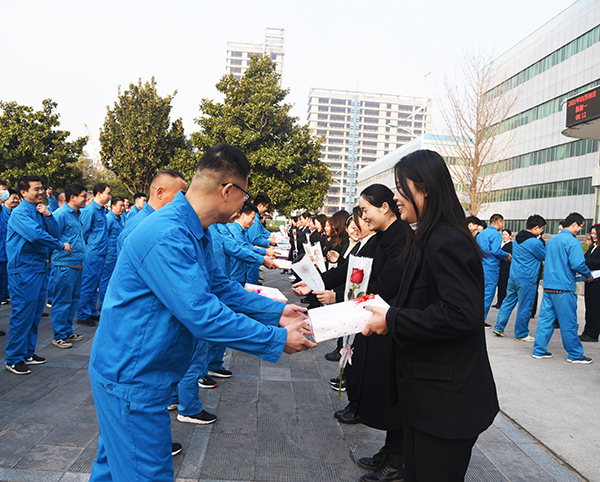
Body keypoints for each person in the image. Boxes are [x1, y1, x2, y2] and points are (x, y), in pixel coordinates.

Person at [87, 143, 316, 481]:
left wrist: (276, 313)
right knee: (146, 473)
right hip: (132, 377)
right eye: (244, 196)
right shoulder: (168, 233)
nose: (245, 205)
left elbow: (219, 287)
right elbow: (202, 313)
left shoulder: (195, 230)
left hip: (137, 369)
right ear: (227, 190)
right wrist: (276, 339)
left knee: (113, 471)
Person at [363, 149, 499, 482]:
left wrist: (392, 319)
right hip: (425, 399)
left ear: (423, 187)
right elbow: (415, 299)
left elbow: (461, 314)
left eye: (400, 188)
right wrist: (377, 310)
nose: (395, 198)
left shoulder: (448, 240)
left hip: (447, 404)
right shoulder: (426, 236)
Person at [4, 176, 73, 374]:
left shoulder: (38, 211)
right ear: (23, 193)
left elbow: (55, 232)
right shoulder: (20, 214)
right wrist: (61, 246)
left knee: (34, 314)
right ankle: (13, 357)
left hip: (38, 268)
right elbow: (36, 235)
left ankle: (27, 352)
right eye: (36, 189)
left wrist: (49, 215)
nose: (41, 192)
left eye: (42, 188)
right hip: (23, 271)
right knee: (22, 314)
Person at [532, 212, 594, 363]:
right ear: (574, 224)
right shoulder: (573, 242)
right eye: (580, 226)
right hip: (564, 288)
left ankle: (539, 350)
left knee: (545, 321)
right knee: (569, 323)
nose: (580, 230)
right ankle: (575, 354)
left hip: (548, 287)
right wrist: (588, 275)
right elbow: (578, 264)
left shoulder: (552, 240)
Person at [492, 215, 546, 341]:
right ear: (537, 227)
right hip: (527, 279)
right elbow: (545, 256)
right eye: (542, 228)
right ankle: (521, 333)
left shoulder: (517, 239)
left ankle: (499, 327)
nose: (542, 231)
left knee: (507, 302)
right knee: (525, 306)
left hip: (514, 276)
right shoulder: (534, 242)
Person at [50, 183, 88, 349]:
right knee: (62, 301)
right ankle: (59, 335)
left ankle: (67, 331)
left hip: (77, 264)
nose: (85, 199)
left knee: (73, 300)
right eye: (83, 196)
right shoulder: (61, 215)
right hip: (64, 265)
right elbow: (51, 238)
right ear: (72, 197)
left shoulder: (76, 215)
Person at [117, 170, 187, 254]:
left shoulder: (164, 220)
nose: (181, 202)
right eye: (178, 197)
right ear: (160, 193)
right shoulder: (138, 224)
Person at [77, 183, 111, 326]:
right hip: (92, 254)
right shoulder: (90, 210)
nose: (109, 197)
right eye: (107, 193)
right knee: (88, 284)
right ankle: (83, 314)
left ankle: (91, 311)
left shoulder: (102, 211)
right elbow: (82, 233)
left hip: (101, 253)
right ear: (98, 194)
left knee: (95, 285)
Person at [477, 213, 511, 324]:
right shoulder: (496, 234)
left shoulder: (481, 234)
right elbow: (495, 251)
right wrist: (507, 255)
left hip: (480, 266)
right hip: (491, 267)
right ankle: (481, 320)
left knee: (479, 294)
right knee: (488, 295)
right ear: (499, 222)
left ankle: (476, 317)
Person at [97, 196, 124, 311]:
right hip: (109, 254)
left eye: (123, 206)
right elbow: (104, 236)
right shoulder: (110, 219)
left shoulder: (119, 219)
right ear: (113, 206)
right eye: (120, 206)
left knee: (111, 280)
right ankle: (102, 304)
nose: (122, 208)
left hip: (115, 255)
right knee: (105, 280)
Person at [580, 224, 600, 342]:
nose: (593, 236)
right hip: (589, 281)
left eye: (595, 233)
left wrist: (586, 261)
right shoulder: (592, 247)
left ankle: (593, 333)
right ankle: (587, 331)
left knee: (596, 308)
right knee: (589, 307)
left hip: (597, 282)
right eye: (591, 233)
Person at [493, 228, 513, 308]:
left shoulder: (511, 245)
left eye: (506, 235)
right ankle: (498, 301)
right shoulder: (499, 244)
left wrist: (503, 256)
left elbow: (510, 256)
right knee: (499, 285)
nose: (504, 236)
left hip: (506, 268)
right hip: (499, 267)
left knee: (504, 285)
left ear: (510, 236)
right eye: (503, 234)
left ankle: (502, 303)